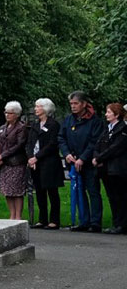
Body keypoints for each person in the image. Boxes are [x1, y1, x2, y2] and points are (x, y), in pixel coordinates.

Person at [61, 91, 104, 232]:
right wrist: (66, 153)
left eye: (76, 103)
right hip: (73, 161)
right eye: (71, 104)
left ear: (84, 104)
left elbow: (94, 142)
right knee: (78, 191)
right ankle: (83, 221)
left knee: (93, 191)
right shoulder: (68, 120)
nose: (73, 106)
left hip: (88, 163)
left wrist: (83, 158)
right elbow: (61, 137)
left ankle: (95, 222)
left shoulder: (95, 121)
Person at [28, 97, 64, 229]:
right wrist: (30, 157)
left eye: (38, 106)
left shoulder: (53, 125)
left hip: (49, 162)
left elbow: (52, 144)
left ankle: (54, 220)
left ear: (45, 109)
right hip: (35, 163)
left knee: (52, 191)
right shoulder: (34, 125)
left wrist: (37, 157)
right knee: (39, 191)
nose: (35, 109)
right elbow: (30, 142)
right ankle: (42, 219)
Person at [0, 101, 31, 222]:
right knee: (7, 191)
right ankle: (12, 214)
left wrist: (3, 155)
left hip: (16, 163)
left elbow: (19, 145)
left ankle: (18, 216)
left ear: (17, 114)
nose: (7, 115)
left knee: (17, 191)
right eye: (6, 112)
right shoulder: (2, 128)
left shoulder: (21, 128)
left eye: (10, 113)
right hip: (4, 165)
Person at [93, 102, 126, 234]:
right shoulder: (108, 129)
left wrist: (100, 158)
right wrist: (96, 156)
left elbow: (116, 148)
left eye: (109, 112)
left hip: (118, 168)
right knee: (112, 196)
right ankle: (116, 222)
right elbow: (98, 144)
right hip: (106, 169)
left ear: (116, 114)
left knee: (121, 197)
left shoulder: (123, 129)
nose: (106, 114)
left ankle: (122, 223)